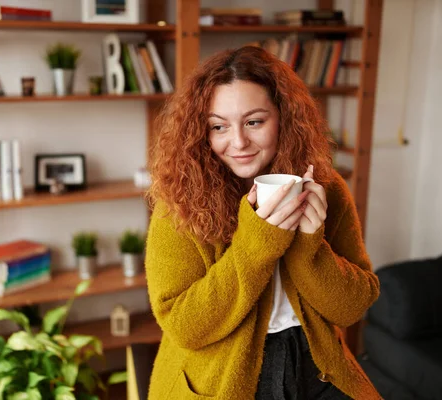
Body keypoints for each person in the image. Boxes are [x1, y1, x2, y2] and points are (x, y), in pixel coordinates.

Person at [145, 46, 381, 399]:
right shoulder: (179, 202)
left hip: (314, 360)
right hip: (221, 373)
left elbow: (353, 308)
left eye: (254, 121)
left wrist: (308, 244)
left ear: (283, 117)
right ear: (201, 131)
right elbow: (184, 327)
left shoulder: (326, 190)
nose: (238, 142)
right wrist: (257, 243)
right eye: (218, 126)